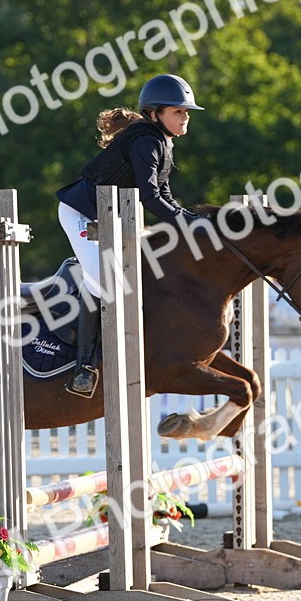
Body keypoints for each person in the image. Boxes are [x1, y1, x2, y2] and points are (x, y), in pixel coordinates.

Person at [54, 74, 204, 397]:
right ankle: (83, 367)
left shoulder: (162, 143)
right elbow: (150, 199)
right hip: (82, 213)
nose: (185, 116)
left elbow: (165, 195)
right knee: (105, 279)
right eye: (178, 111)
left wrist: (190, 219)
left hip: (112, 219)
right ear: (154, 114)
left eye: (186, 111)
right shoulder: (146, 141)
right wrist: (187, 223)